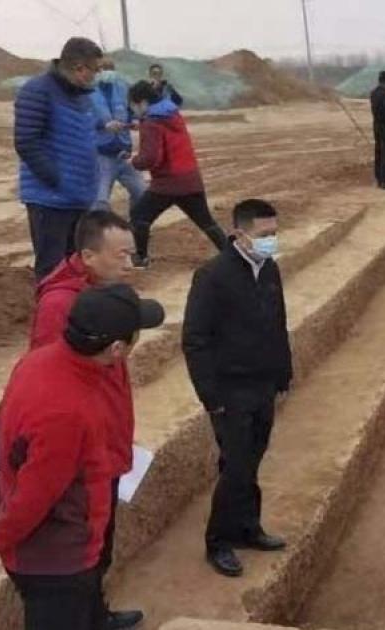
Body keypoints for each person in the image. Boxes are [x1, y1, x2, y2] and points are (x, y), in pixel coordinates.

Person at [0, 211, 144, 629]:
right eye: (121, 255)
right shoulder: (67, 399)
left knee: (90, 575)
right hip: (59, 551)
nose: (129, 265)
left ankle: (95, 617)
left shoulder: (86, 322)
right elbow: (38, 486)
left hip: (94, 466)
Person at [182, 199, 293, 578]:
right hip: (230, 392)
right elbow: (195, 340)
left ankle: (248, 528)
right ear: (239, 234)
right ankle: (219, 541)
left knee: (253, 459)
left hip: (263, 385)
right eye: (264, 235)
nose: (271, 241)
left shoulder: (270, 270)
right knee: (237, 466)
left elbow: (278, 323)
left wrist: (283, 374)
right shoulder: (213, 276)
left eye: (274, 234)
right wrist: (211, 397)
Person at [15, 37, 103, 280]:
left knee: (76, 267)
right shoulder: (37, 91)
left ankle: (72, 315)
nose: (95, 76)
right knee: (52, 270)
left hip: (78, 198)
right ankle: (51, 316)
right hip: (50, 200)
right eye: (94, 70)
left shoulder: (81, 95)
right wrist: (56, 179)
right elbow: (26, 142)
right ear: (79, 68)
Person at [126, 80, 227, 268]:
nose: (132, 110)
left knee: (139, 217)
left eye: (133, 105)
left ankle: (140, 258)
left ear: (143, 103)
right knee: (207, 222)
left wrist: (133, 161)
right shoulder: (172, 115)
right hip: (190, 179)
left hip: (167, 183)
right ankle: (233, 257)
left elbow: (150, 158)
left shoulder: (151, 123)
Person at [90, 59, 146, 214]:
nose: (108, 73)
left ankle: (135, 225)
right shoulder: (87, 92)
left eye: (110, 69)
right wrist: (103, 125)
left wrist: (134, 121)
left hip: (124, 154)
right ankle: (98, 234)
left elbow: (130, 110)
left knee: (142, 193)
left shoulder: (121, 88)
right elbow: (82, 120)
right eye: (103, 69)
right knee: (100, 202)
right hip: (102, 155)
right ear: (96, 71)